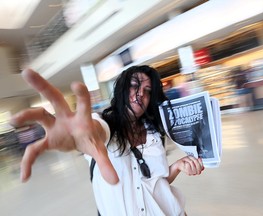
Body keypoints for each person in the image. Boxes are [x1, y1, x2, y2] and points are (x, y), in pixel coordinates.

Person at [10, 65, 204, 216]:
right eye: (135, 86)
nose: (141, 94)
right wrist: (80, 135)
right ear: (121, 90)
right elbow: (96, 131)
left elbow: (155, 182)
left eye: (148, 91)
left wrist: (177, 166)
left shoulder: (154, 133)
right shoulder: (104, 125)